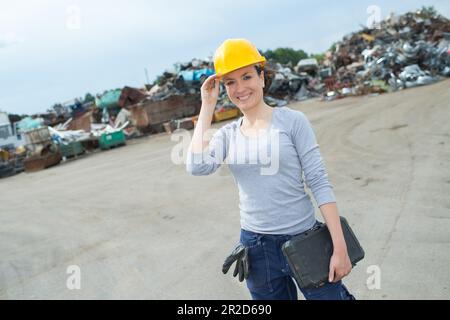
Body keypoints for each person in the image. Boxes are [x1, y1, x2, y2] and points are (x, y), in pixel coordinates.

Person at [186, 38, 355, 300]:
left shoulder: (292, 121)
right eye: (230, 82)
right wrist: (207, 105)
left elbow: (319, 181)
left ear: (262, 78)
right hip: (256, 248)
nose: (240, 88)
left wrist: (339, 248)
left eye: (246, 77)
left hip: (305, 239)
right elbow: (197, 167)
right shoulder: (227, 135)